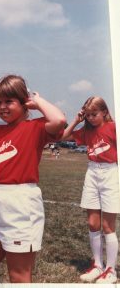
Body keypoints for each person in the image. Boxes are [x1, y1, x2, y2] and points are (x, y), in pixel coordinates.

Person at [0, 74, 66, 283]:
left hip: (21, 205)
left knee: (19, 277)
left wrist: (37, 102)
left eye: (9, 101)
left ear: (23, 102)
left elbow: (59, 120)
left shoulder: (35, 128)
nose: (2, 107)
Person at [62, 96, 120, 284]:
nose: (91, 118)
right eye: (87, 115)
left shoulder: (113, 128)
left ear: (104, 112)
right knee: (93, 223)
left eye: (94, 114)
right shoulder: (86, 130)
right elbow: (63, 136)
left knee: (108, 226)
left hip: (111, 172)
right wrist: (76, 120)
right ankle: (98, 265)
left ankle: (111, 270)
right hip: (92, 172)